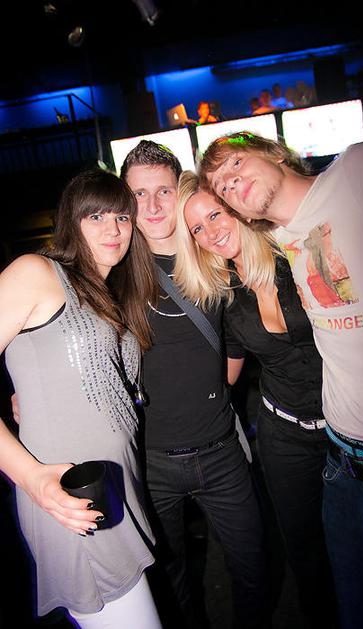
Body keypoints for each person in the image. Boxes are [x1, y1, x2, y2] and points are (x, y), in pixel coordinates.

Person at [198, 131, 363, 629]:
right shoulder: (283, 239)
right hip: (344, 468)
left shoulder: (360, 169)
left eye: (236, 163)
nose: (230, 182)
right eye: (222, 185)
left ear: (274, 153)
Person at [173, 170, 338, 628]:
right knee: (305, 552)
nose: (210, 233)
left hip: (348, 427)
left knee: (360, 544)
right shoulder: (224, 293)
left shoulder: (294, 251)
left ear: (236, 207)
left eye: (215, 215)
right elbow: (225, 370)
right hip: (284, 436)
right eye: (197, 229)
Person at [0, 169, 162, 628]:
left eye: (122, 217)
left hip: (114, 492)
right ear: (71, 221)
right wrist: (31, 478)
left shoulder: (107, 294)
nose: (113, 229)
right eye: (96, 216)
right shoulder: (37, 273)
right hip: (70, 499)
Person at [119, 140, 269, 629]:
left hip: (222, 452)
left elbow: (237, 336)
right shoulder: (113, 273)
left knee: (254, 569)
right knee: (174, 583)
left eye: (163, 190)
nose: (152, 206)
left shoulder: (211, 257)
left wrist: (215, 394)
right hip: (152, 463)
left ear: (179, 190)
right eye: (138, 194)